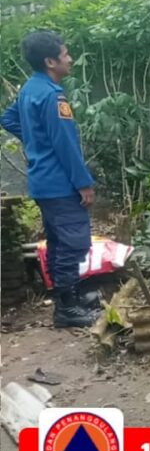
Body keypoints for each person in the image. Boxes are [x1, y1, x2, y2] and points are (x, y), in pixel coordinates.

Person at [1, 30, 97, 327]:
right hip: (60, 182)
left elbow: (7, 118)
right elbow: (66, 145)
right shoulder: (54, 97)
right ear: (50, 61)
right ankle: (67, 310)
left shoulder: (30, 89)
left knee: (58, 242)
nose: (70, 59)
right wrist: (84, 183)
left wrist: (34, 143)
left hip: (42, 182)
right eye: (65, 54)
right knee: (74, 242)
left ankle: (68, 297)